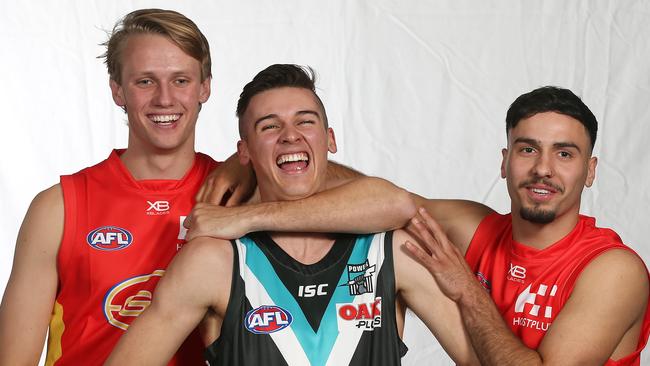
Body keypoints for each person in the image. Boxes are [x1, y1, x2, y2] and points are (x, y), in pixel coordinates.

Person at [187, 86, 650, 365]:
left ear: (590, 170)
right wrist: (246, 164)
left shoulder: (613, 270)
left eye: (564, 154)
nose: (543, 169)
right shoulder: (477, 228)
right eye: (528, 150)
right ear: (505, 163)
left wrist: (466, 288)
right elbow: (385, 200)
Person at [106, 64, 478, 366]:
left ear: (329, 139)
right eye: (269, 126)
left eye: (305, 121)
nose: (290, 136)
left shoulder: (395, 252)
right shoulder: (213, 261)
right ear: (245, 152)